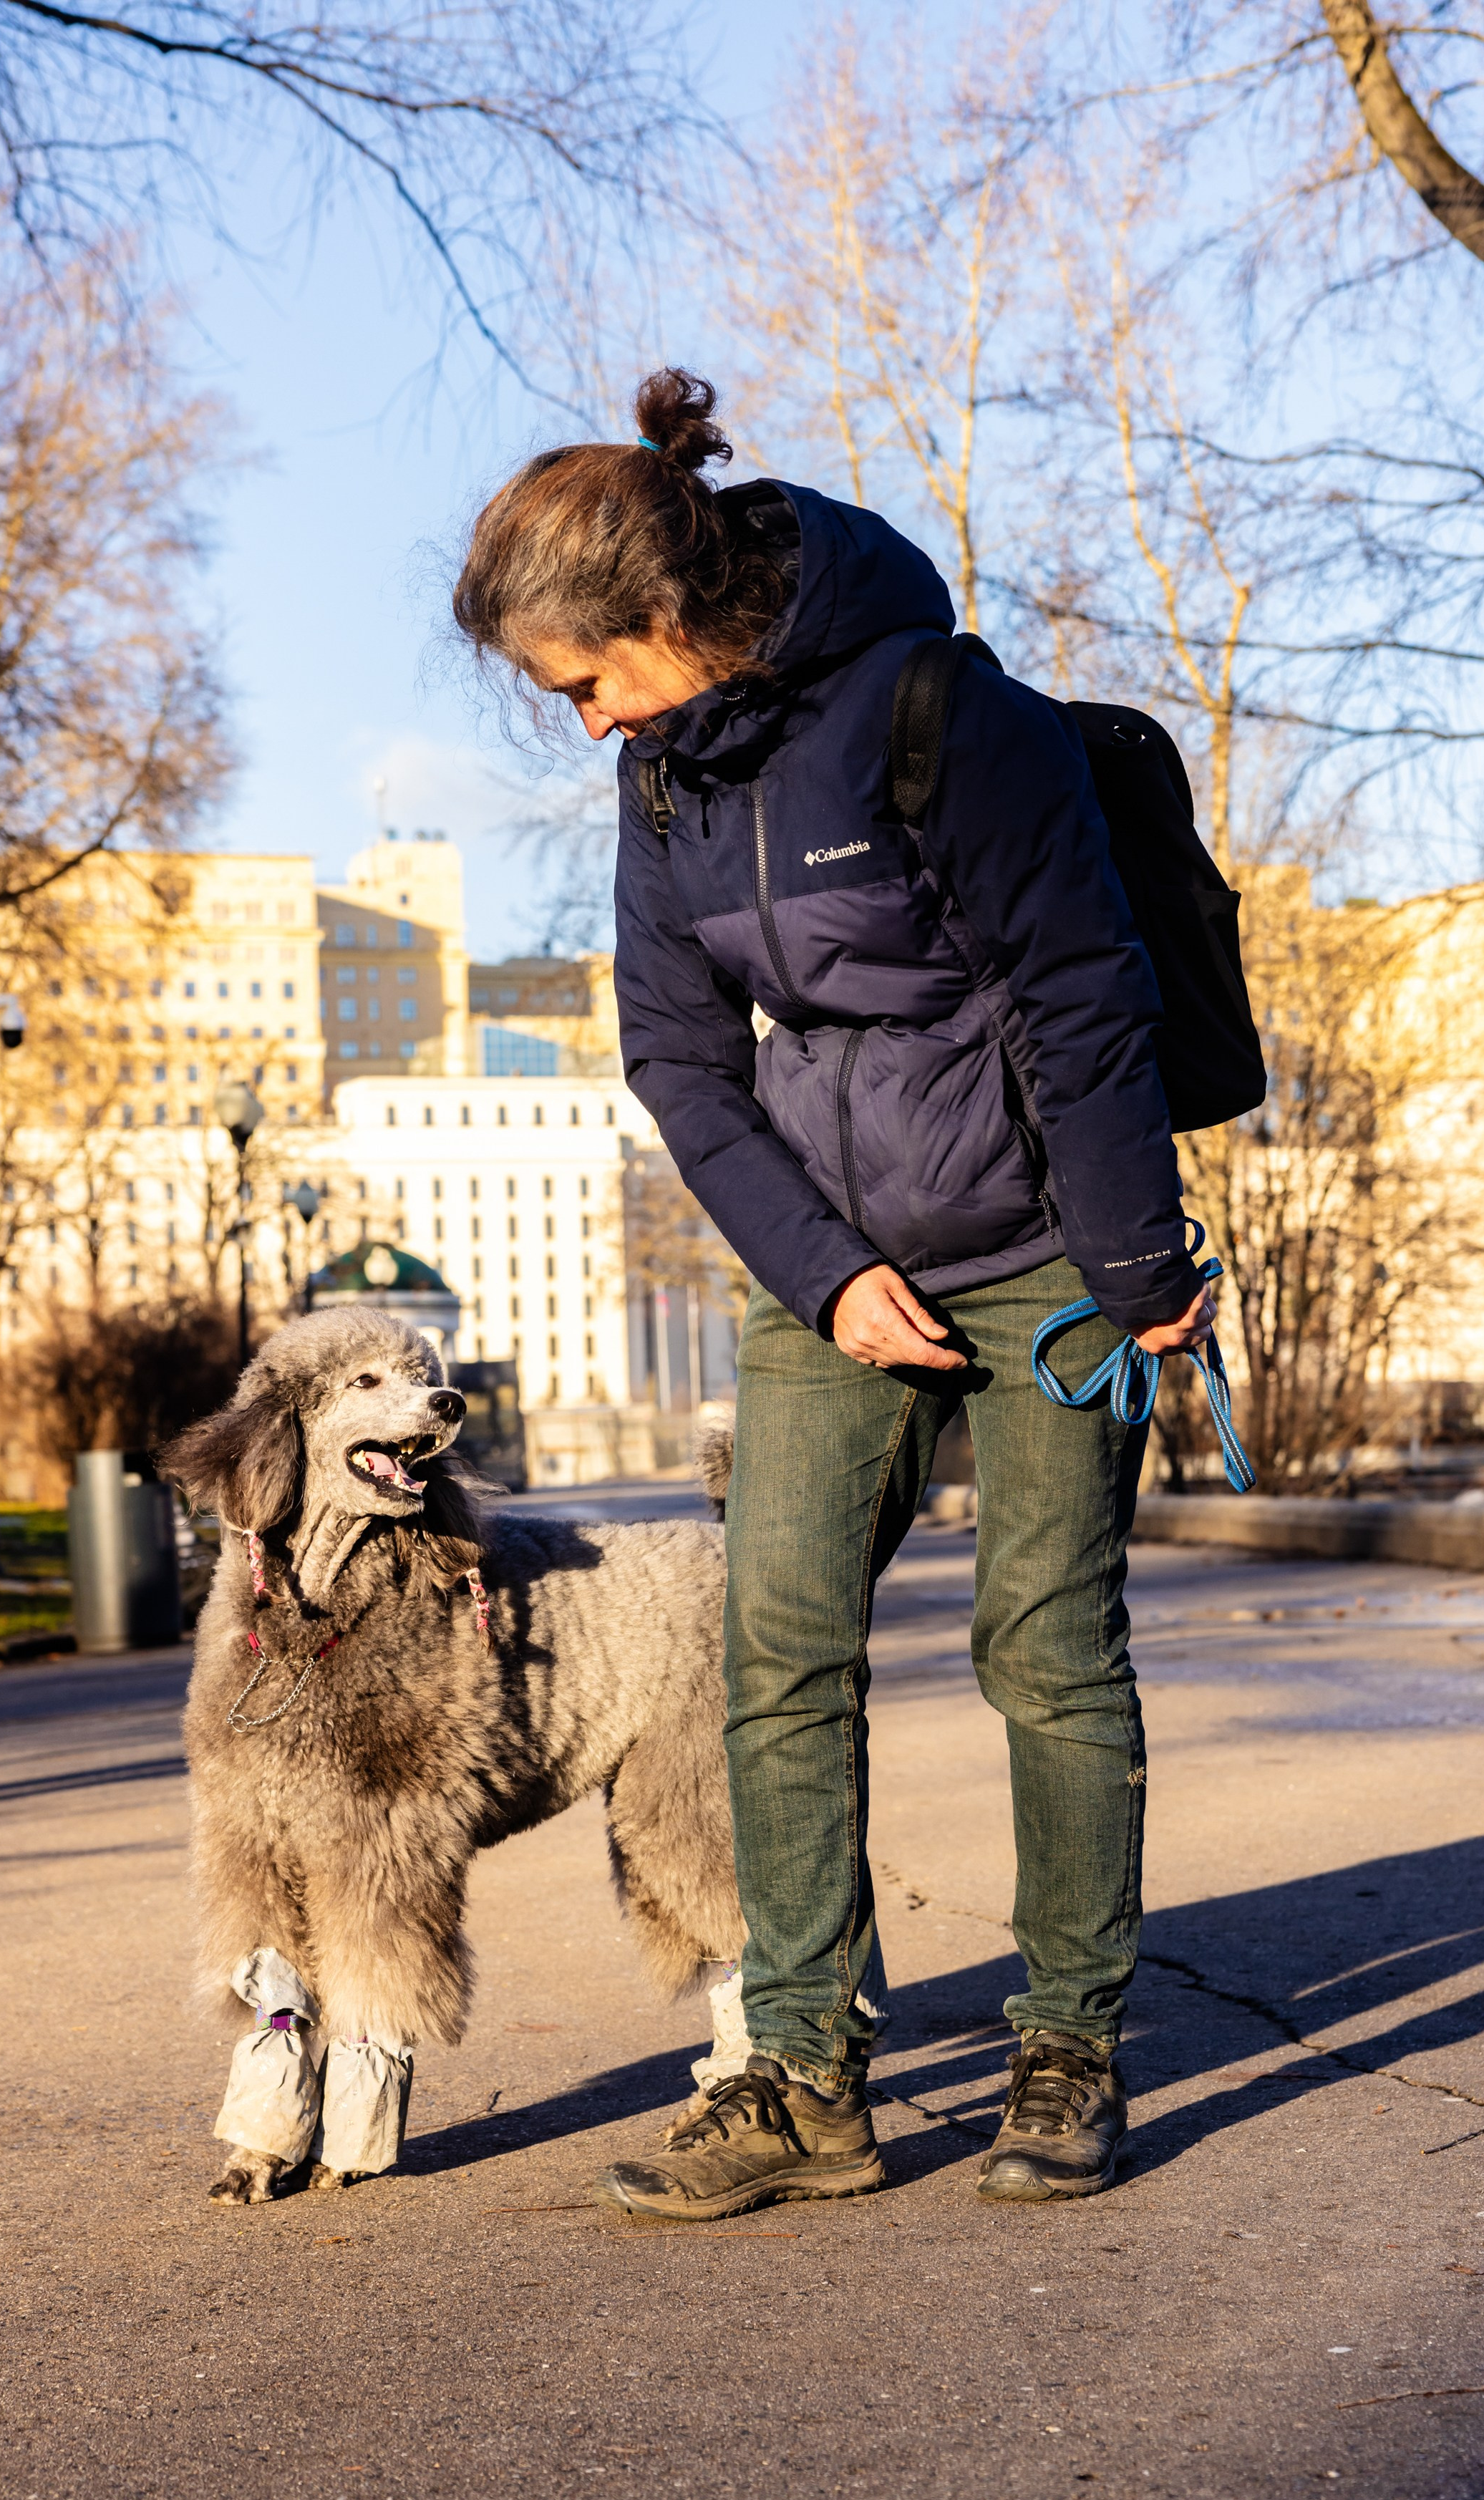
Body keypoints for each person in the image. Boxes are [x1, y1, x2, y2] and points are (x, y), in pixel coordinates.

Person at [452, 367, 1216, 2220]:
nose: (584, 724)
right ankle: (801, 2074)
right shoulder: (664, 783)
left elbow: (1083, 993)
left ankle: (1067, 2044)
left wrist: (1134, 1272)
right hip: (833, 1278)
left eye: (585, 680)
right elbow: (679, 1057)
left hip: (1046, 1253)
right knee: (771, 1651)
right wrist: (827, 1269)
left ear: (663, 613)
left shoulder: (943, 713)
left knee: (1044, 1643)